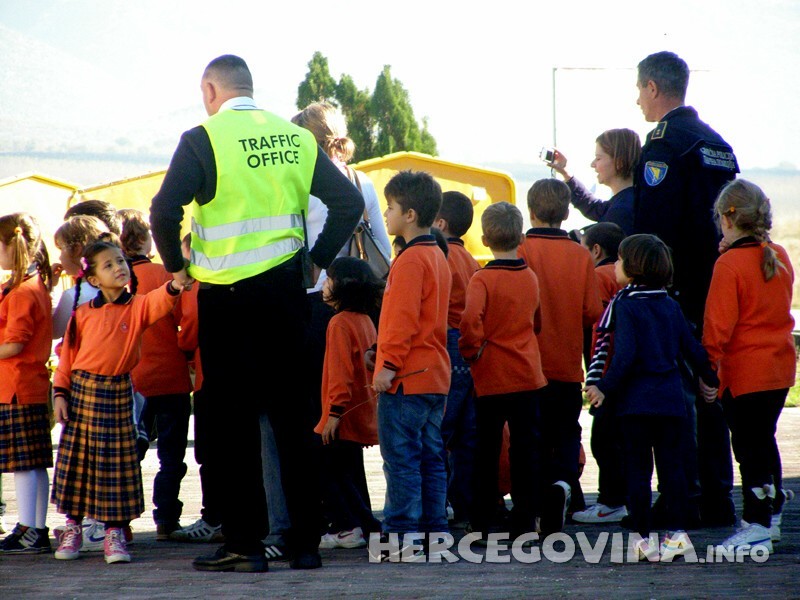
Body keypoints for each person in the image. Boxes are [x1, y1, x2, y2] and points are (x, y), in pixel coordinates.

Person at [149, 54, 363, 573]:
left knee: (231, 425)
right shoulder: (295, 138)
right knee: (294, 419)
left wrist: (178, 270)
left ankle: (245, 543)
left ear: (210, 90)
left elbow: (163, 210)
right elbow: (346, 202)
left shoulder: (202, 139)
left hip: (226, 298)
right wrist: (315, 261)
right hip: (286, 295)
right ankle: (306, 544)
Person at [633, 50, 738, 526]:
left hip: (675, 294)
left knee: (676, 402)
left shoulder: (663, 144)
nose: (637, 100)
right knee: (710, 392)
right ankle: (717, 495)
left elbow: (653, 229)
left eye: (639, 90)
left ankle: (684, 498)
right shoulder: (716, 143)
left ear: (654, 88)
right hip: (717, 286)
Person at [51, 239, 188, 564]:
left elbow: (162, 299)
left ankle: (114, 533)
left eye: (120, 261)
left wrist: (178, 281)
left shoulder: (138, 306)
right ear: (93, 278)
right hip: (82, 393)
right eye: (109, 264)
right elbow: (68, 358)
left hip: (117, 393)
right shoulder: (81, 313)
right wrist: (60, 392)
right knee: (78, 465)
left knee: (115, 465)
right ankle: (72, 527)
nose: (119, 268)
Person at [583, 234, 718, 561]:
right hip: (671, 401)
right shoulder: (670, 304)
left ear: (634, 269)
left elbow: (625, 355)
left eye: (619, 260)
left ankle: (643, 540)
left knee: (638, 473)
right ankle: (676, 536)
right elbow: (692, 347)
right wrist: (709, 378)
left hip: (637, 404)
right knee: (673, 472)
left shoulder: (627, 306)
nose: (614, 265)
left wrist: (603, 386)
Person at [702, 180, 796, 555]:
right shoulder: (779, 255)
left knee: (749, 450)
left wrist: (707, 371)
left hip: (744, 375)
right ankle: (771, 516)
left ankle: (755, 523)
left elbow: (716, 328)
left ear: (727, 219)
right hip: (779, 369)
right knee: (764, 442)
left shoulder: (729, 265)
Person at [370, 170, 451, 561]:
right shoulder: (438, 255)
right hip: (435, 375)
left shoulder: (409, 260)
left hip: (406, 378)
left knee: (401, 460)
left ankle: (401, 535)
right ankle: (436, 531)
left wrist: (385, 364)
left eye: (391, 208)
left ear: (411, 215)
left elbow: (402, 320)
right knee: (432, 458)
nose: (386, 214)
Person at [517, 178, 603, 535]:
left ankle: (534, 505)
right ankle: (564, 484)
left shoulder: (521, 250)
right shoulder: (581, 255)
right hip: (568, 365)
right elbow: (591, 311)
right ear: (567, 213)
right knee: (566, 432)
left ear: (530, 211)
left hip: (526, 366)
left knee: (530, 437)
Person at [459, 201, 546, 540]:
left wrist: (472, 349)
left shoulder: (481, 279)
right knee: (526, 449)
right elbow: (535, 323)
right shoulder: (530, 277)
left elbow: (470, 321)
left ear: (484, 238)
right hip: (527, 373)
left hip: (491, 375)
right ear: (520, 237)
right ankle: (526, 519)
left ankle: (481, 520)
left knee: (486, 450)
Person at [118, 209, 193, 540]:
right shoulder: (166, 274)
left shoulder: (115, 281)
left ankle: (121, 520)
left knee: (130, 453)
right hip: (172, 375)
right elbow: (185, 319)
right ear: (148, 239)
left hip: (135, 379)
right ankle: (166, 519)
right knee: (172, 456)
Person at [315, 256, 384, 549]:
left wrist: (333, 413)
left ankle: (352, 525)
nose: (324, 284)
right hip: (361, 408)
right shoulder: (365, 319)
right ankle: (362, 525)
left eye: (329, 279)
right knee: (351, 471)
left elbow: (340, 373)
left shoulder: (339, 323)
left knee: (333, 472)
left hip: (342, 414)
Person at [0, 213, 55, 554]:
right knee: (33, 463)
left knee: (23, 464)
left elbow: (15, 342)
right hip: (29, 384)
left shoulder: (22, 291)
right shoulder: (33, 285)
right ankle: (34, 527)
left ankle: (29, 526)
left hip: (16, 385)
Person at [169, 233, 224, 545]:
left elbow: (189, 328)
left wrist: (182, 347)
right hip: (241, 375)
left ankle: (214, 516)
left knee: (210, 452)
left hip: (208, 375)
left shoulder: (196, 283)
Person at [572, 222, 628, 524]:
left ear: (595, 250)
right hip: (628, 371)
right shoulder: (625, 276)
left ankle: (611, 500)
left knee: (604, 441)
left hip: (605, 372)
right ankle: (627, 496)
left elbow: (594, 322)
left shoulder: (597, 276)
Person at [433, 190, 480, 527]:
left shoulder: (440, 256)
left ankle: (436, 504)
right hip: (472, 348)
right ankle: (465, 504)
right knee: (466, 435)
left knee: (438, 430)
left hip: (447, 344)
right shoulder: (473, 262)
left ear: (440, 223)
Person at [550, 128, 641, 235]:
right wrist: (566, 174)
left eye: (598, 158)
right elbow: (594, 208)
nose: (593, 164)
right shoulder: (627, 200)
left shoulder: (621, 211)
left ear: (619, 163)